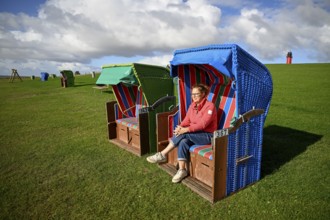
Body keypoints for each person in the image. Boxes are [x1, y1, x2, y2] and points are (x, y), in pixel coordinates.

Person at [147, 84, 218, 183]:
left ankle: (162, 154)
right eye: (192, 94)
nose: (194, 96)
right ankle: (182, 170)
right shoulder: (192, 106)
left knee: (184, 135)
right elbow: (187, 120)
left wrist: (185, 130)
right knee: (183, 141)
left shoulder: (210, 106)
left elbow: (203, 124)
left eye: (196, 94)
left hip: (208, 135)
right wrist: (180, 127)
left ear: (203, 94)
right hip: (195, 134)